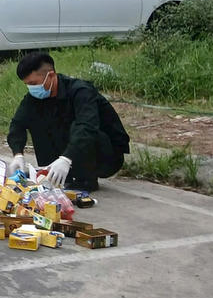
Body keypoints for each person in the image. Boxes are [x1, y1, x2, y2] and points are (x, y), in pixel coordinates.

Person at [7, 51, 131, 193]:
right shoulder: (34, 98)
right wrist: (18, 154)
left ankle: (84, 180)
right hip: (72, 151)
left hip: (107, 153)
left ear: (51, 75)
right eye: (27, 84)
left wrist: (66, 159)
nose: (32, 88)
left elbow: (87, 127)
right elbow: (17, 123)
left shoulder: (81, 91)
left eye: (34, 83)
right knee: (36, 118)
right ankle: (55, 171)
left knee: (79, 127)